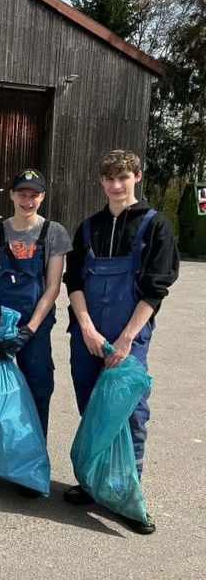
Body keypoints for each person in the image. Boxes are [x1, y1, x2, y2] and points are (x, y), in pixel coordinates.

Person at [63, 149, 179, 534]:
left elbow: (156, 288)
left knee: (130, 415)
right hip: (88, 336)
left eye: (123, 178)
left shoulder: (154, 225)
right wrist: (86, 328)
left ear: (137, 177)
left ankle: (127, 495)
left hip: (129, 337)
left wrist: (127, 338)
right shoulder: (88, 226)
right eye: (109, 179)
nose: (116, 186)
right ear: (101, 182)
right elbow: (74, 282)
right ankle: (94, 483)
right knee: (92, 410)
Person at [0, 169, 72, 493]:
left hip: (34, 328)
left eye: (34, 194)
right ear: (11, 195)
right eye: (22, 193)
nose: (28, 200)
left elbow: (53, 287)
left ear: (42, 197)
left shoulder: (53, 233)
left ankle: (30, 465)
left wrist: (28, 330)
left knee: (38, 391)